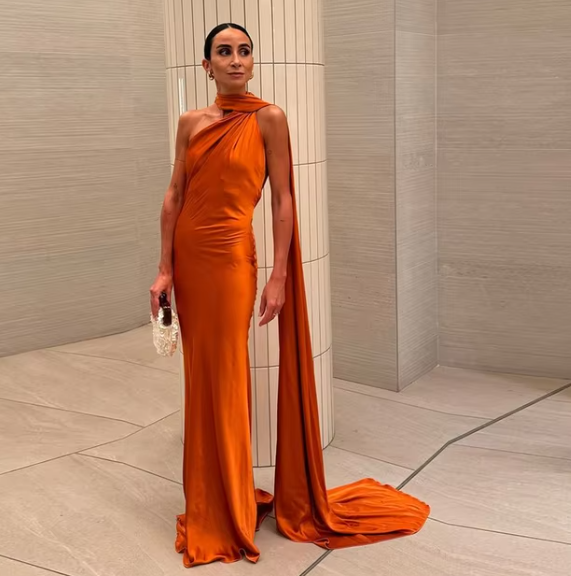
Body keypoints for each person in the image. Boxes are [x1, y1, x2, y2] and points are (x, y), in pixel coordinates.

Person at [149, 23, 429, 568]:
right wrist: (164, 269)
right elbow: (174, 194)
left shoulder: (269, 118)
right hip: (189, 259)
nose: (235, 59)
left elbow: (283, 200)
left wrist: (278, 275)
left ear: (252, 62)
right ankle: (211, 498)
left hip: (232, 258)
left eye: (244, 51)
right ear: (206, 66)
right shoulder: (190, 123)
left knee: (228, 373)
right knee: (201, 376)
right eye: (224, 52)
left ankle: (229, 508)